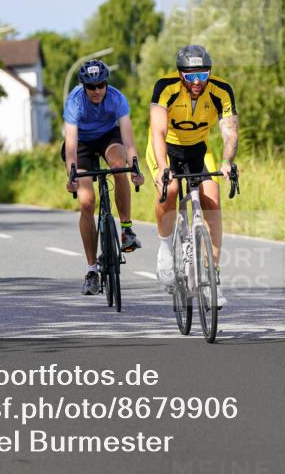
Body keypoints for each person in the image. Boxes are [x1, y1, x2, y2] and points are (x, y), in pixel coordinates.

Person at [148, 45, 238, 307]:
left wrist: (226, 162)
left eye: (203, 75)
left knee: (213, 199)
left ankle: (212, 278)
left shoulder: (222, 91)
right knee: (171, 189)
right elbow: (158, 132)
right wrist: (163, 166)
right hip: (167, 148)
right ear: (180, 75)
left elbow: (230, 131)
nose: (197, 82)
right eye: (190, 76)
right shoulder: (165, 88)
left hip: (198, 149)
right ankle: (165, 249)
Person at [61, 59, 145, 296]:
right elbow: (71, 144)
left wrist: (135, 168)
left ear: (106, 83)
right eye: (91, 87)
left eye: (101, 85)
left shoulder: (117, 98)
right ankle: (91, 270)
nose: (97, 90)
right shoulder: (74, 102)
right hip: (83, 143)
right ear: (83, 86)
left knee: (119, 167)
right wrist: (72, 174)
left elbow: (127, 138)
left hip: (108, 136)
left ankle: (127, 230)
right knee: (87, 202)